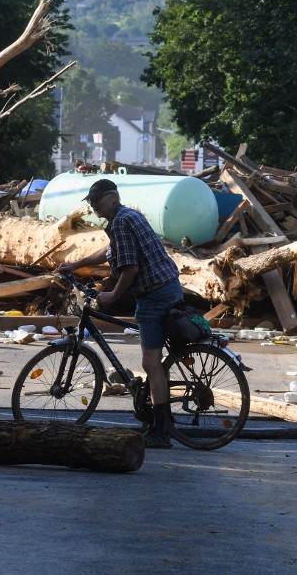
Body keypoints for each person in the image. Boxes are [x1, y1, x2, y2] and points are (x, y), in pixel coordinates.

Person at [57, 178, 182, 449]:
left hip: (155, 295)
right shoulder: (127, 217)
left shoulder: (121, 222)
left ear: (113, 198)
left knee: (150, 363)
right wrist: (76, 264)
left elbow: (130, 268)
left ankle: (161, 432)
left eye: (97, 200)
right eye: (90, 202)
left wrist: (112, 296)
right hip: (168, 287)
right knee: (156, 362)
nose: (93, 206)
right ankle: (162, 418)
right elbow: (109, 251)